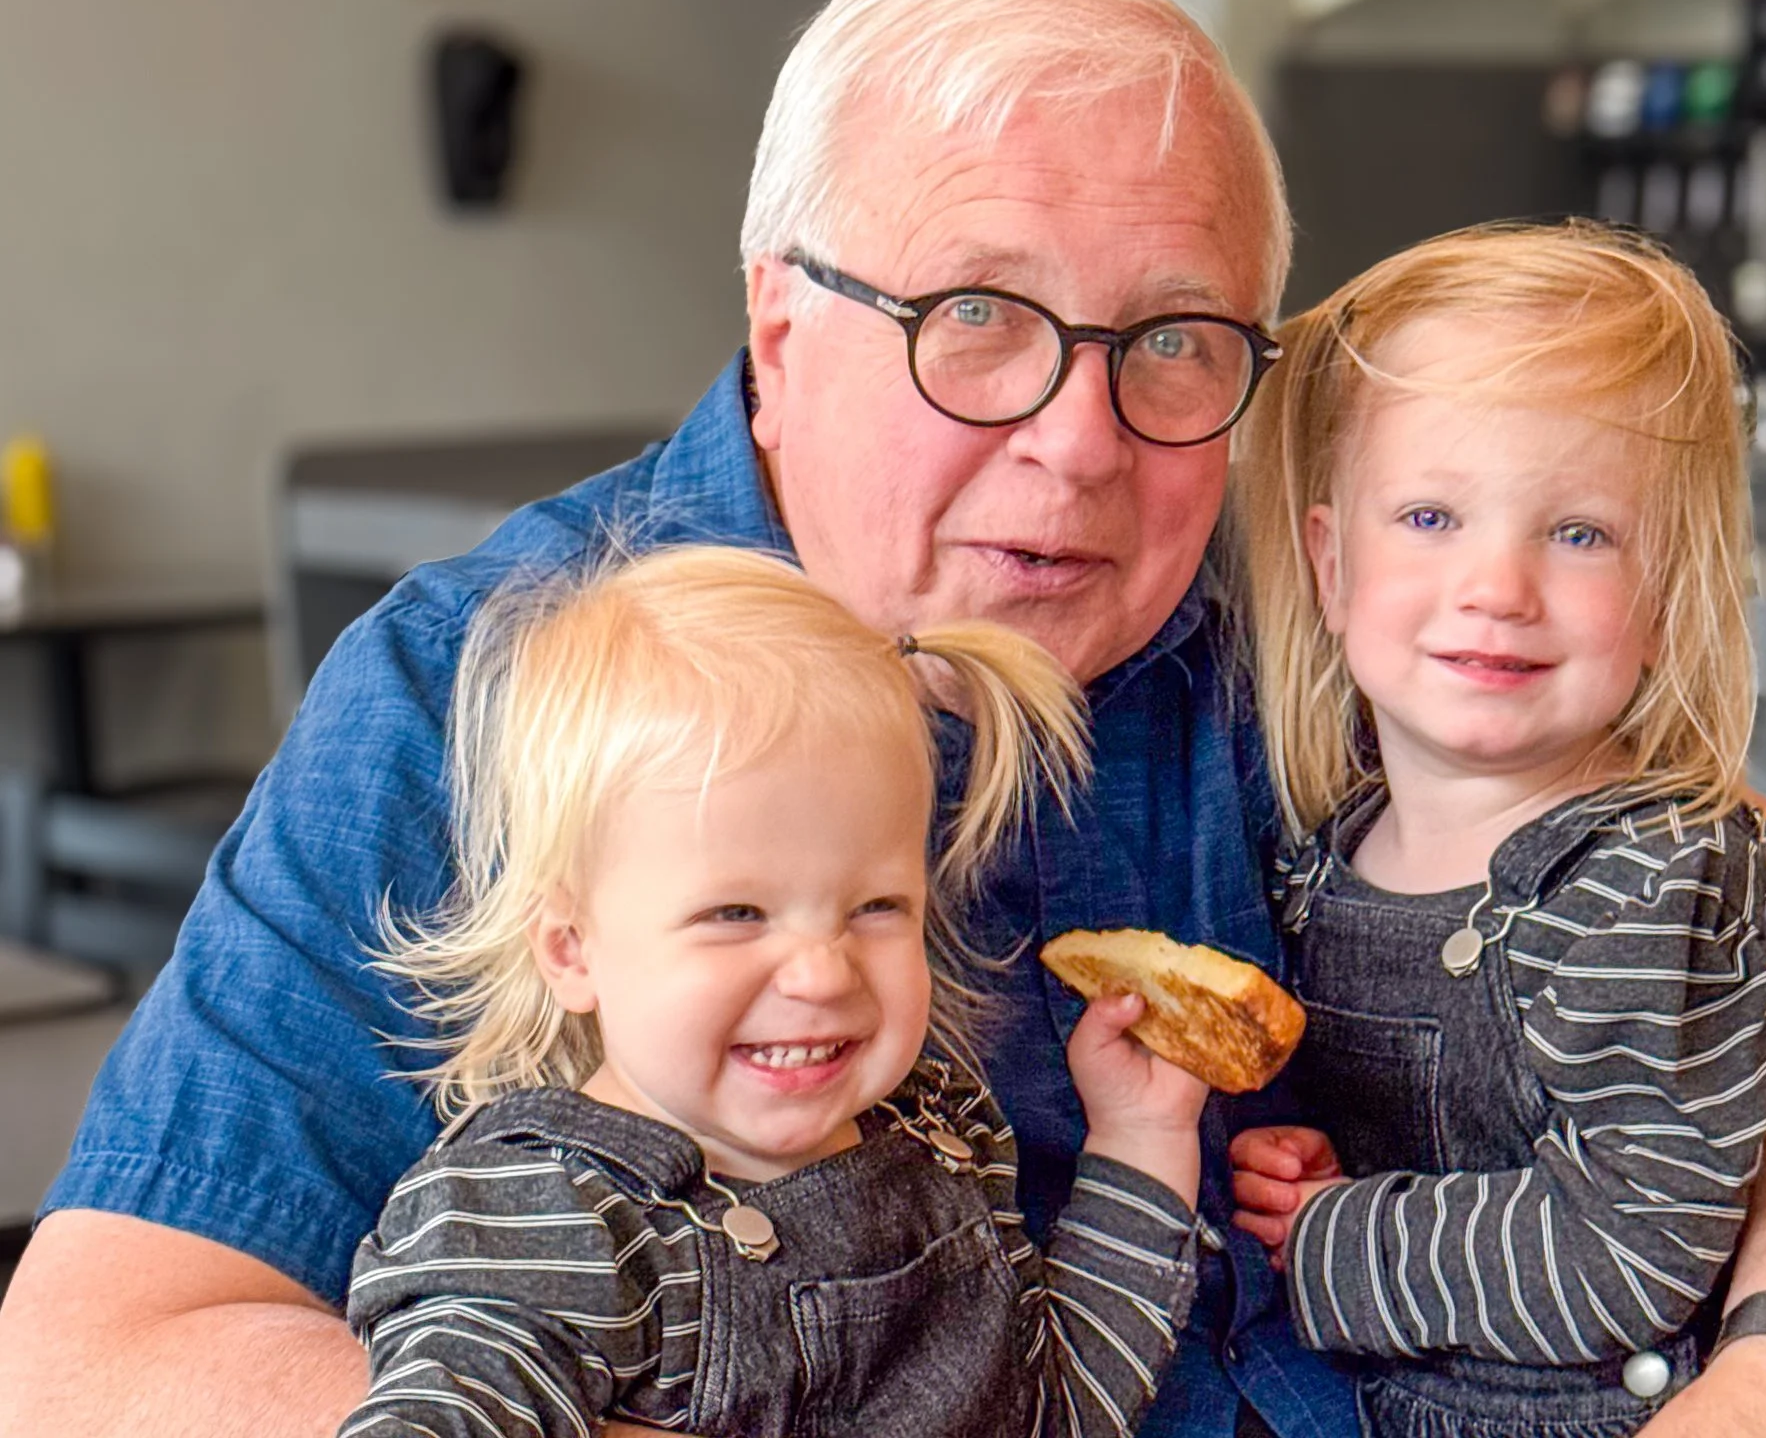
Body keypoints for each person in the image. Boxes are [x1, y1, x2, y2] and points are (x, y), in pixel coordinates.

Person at [0, 0, 1766, 1438]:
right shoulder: (496, 685)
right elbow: (102, 1347)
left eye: (1175, 341)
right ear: (780, 322)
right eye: (975, 315)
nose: (1079, 441)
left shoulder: (1302, 642)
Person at [335, 545, 1209, 1437]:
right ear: (571, 949)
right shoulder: (548, 1222)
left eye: (876, 907)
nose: (823, 972)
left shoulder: (942, 1138)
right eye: (736, 914)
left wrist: (1142, 1136)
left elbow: (1058, 1412)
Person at [1227, 222, 1766, 1434]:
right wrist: (1326, 1173)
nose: (1496, 588)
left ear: (1666, 589)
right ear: (1330, 566)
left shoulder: (1649, 886)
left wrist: (1336, 1234)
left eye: (1577, 533)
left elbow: (1631, 1246)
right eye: (1429, 517)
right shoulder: (1327, 851)